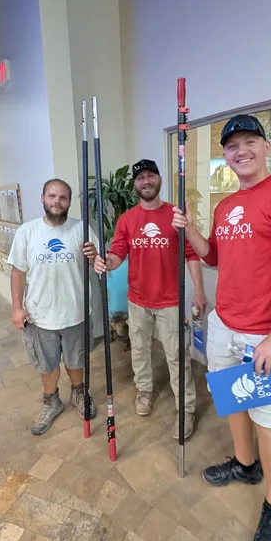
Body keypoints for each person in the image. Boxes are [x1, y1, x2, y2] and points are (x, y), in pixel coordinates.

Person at [172, 115, 271, 541]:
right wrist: (188, 228)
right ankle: (244, 463)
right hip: (225, 324)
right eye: (232, 146)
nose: (241, 151)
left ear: (266, 146)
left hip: (265, 334)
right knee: (232, 402)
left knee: (269, 419)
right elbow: (213, 255)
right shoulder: (226, 205)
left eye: (250, 141)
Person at [92, 159, 207, 440]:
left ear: (159, 179)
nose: (146, 181)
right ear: (135, 185)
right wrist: (107, 262)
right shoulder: (127, 219)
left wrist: (200, 291)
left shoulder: (175, 215)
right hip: (138, 301)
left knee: (177, 356)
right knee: (141, 351)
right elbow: (118, 252)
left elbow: (192, 254)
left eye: (150, 176)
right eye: (140, 177)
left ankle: (185, 407)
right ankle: (144, 391)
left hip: (171, 301)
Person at [8, 178, 98, 435]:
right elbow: (17, 272)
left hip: (76, 312)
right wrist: (17, 307)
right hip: (40, 315)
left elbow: (99, 263)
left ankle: (78, 394)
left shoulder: (81, 229)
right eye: (52, 196)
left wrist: (95, 257)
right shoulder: (27, 232)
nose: (57, 202)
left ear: (69, 202)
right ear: (43, 198)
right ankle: (51, 401)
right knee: (46, 364)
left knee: (76, 358)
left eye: (63, 198)